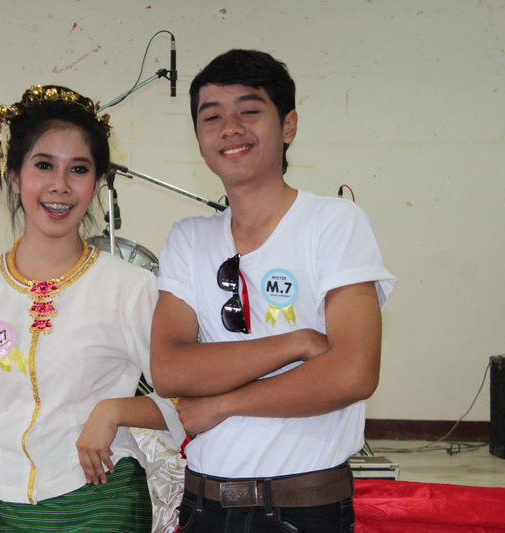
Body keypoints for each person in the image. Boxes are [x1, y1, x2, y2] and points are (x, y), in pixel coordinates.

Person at [150, 50, 396, 532]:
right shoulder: (189, 238)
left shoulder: (333, 223)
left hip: (300, 506)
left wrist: (221, 403)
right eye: (212, 117)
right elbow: (170, 370)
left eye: (249, 111)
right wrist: (296, 342)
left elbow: (353, 373)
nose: (230, 128)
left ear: (289, 126)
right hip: (204, 505)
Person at [0, 85, 185, 533]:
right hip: (6, 509)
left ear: (99, 181)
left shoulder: (129, 287)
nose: (60, 186)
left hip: (103, 497)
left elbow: (188, 396)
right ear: (14, 176)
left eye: (79, 169)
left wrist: (114, 411)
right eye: (44, 165)